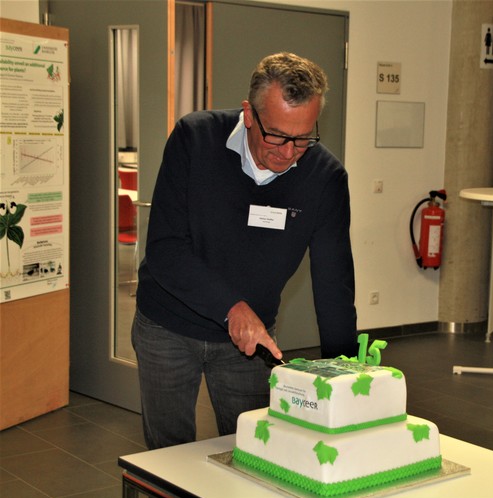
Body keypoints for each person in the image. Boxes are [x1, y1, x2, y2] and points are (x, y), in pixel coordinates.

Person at [132, 52, 358, 450]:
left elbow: (333, 280)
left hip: (251, 346)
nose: (288, 153)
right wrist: (231, 307)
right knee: (166, 458)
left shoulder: (325, 177)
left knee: (253, 452)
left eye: (303, 138)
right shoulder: (195, 138)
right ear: (249, 114)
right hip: (167, 328)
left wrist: (347, 374)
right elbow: (166, 248)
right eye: (277, 135)